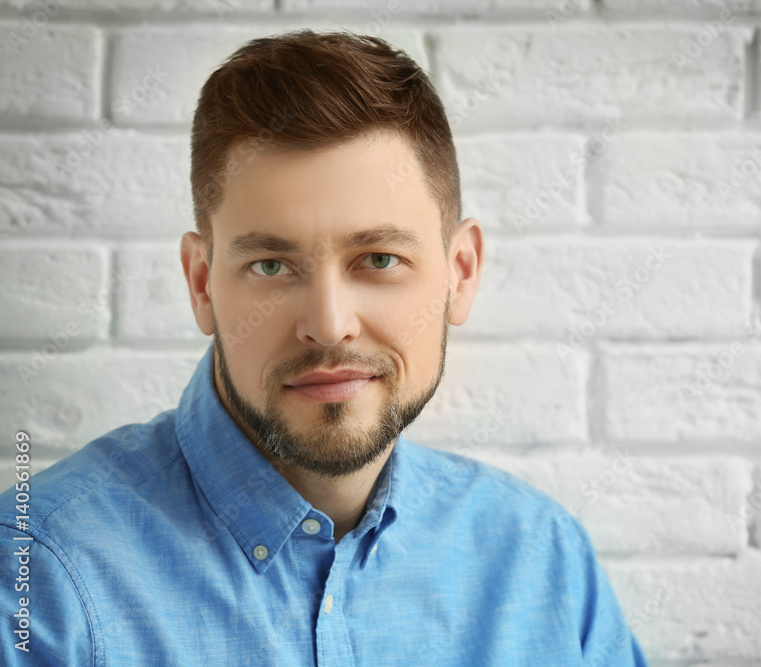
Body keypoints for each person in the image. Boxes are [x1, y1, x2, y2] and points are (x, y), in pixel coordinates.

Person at [0, 29, 649, 666]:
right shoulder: (39, 576)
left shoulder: (543, 559)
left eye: (379, 258)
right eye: (272, 266)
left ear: (461, 273)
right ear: (202, 283)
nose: (330, 324)